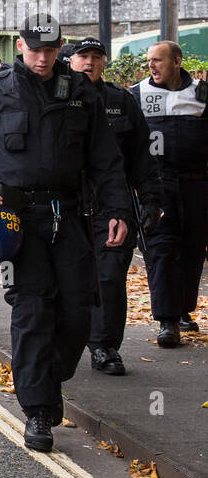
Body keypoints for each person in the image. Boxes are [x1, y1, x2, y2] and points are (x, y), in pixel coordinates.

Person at [0, 15, 129, 452]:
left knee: (76, 313)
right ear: (19, 45)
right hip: (16, 220)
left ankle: (50, 378)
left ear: (60, 47)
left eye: (51, 50)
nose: (43, 58)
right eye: (35, 49)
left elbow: (106, 161)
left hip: (68, 217)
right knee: (32, 312)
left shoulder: (81, 94)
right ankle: (38, 412)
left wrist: (117, 210)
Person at [68, 39, 161, 373]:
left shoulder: (122, 102)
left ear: (105, 61)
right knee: (70, 278)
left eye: (96, 57)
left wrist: (150, 200)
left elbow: (141, 157)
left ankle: (105, 346)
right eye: (83, 57)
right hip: (68, 204)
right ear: (71, 60)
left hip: (112, 204)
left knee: (109, 277)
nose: (89, 63)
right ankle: (67, 341)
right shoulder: (58, 97)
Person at [131, 40, 206, 348]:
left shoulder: (202, 94)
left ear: (177, 62)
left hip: (197, 184)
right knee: (161, 249)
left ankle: (184, 310)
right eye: (149, 60)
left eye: (158, 60)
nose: (152, 65)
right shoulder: (136, 95)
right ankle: (167, 321)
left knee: (192, 249)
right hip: (157, 186)